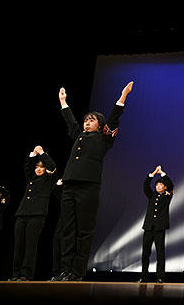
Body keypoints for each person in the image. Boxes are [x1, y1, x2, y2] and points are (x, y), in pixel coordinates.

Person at [52, 81, 133, 282]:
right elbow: (71, 122)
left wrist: (122, 98)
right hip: (70, 184)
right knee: (67, 230)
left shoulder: (104, 139)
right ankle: (64, 270)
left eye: (92, 120)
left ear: (100, 125)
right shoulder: (79, 135)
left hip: (88, 186)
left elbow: (113, 120)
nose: (87, 122)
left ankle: (77, 272)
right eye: (86, 120)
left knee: (84, 230)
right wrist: (63, 102)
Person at [10, 146, 58, 281]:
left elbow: (52, 167)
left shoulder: (49, 180)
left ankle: (25, 274)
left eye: (41, 167)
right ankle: (16, 274)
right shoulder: (32, 179)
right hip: (22, 214)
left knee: (30, 246)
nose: (38, 169)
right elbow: (27, 167)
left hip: (37, 216)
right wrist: (32, 155)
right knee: (19, 246)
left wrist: (42, 153)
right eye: (37, 166)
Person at [139, 165, 174, 284]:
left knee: (160, 254)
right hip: (148, 228)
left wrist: (162, 173)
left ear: (164, 188)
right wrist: (153, 173)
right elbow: (145, 186)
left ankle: (160, 277)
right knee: (145, 254)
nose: (158, 186)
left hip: (159, 228)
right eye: (157, 184)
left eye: (160, 185)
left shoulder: (166, 196)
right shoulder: (152, 196)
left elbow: (171, 185)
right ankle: (144, 277)